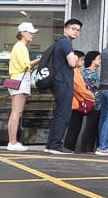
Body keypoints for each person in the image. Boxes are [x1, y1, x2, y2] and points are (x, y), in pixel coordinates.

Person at [45, 19, 83, 155]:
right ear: (65, 29)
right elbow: (72, 63)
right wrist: (75, 57)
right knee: (63, 114)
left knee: (58, 114)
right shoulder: (66, 43)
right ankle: (56, 145)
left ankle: (50, 144)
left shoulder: (60, 42)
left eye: (78, 30)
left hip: (58, 81)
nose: (76, 32)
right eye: (73, 28)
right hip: (63, 82)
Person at [6, 22, 40, 151]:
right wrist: (39, 60)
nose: (32, 35)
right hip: (20, 80)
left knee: (14, 113)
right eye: (30, 33)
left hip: (16, 80)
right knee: (17, 112)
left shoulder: (19, 46)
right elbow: (26, 65)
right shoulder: (21, 47)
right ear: (23, 33)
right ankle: (13, 142)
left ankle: (12, 141)